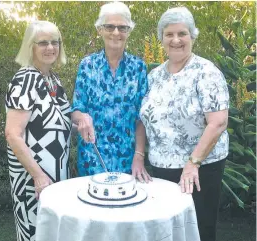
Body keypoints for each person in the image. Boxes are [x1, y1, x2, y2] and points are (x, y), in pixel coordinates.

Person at [140, 7, 229, 241]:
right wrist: (139, 155)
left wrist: (193, 163)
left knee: (198, 230)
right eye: (169, 34)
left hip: (199, 170)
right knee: (167, 231)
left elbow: (218, 122)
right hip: (160, 170)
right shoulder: (154, 76)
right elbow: (141, 117)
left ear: (192, 36)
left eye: (182, 33)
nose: (176, 40)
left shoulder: (206, 72)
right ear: (161, 39)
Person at [5, 21, 71, 241]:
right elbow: (13, 134)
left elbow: (57, 121)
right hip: (33, 181)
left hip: (56, 178)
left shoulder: (52, 79)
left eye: (55, 42)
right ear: (30, 46)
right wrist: (38, 176)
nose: (50, 47)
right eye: (43, 42)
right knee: (37, 234)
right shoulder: (25, 80)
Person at [71, 2, 152, 183]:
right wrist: (82, 118)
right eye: (110, 27)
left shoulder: (139, 67)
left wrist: (139, 155)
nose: (116, 32)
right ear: (100, 30)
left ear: (129, 31)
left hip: (128, 161)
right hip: (92, 159)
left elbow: (142, 117)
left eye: (122, 27)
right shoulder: (87, 65)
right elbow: (76, 108)